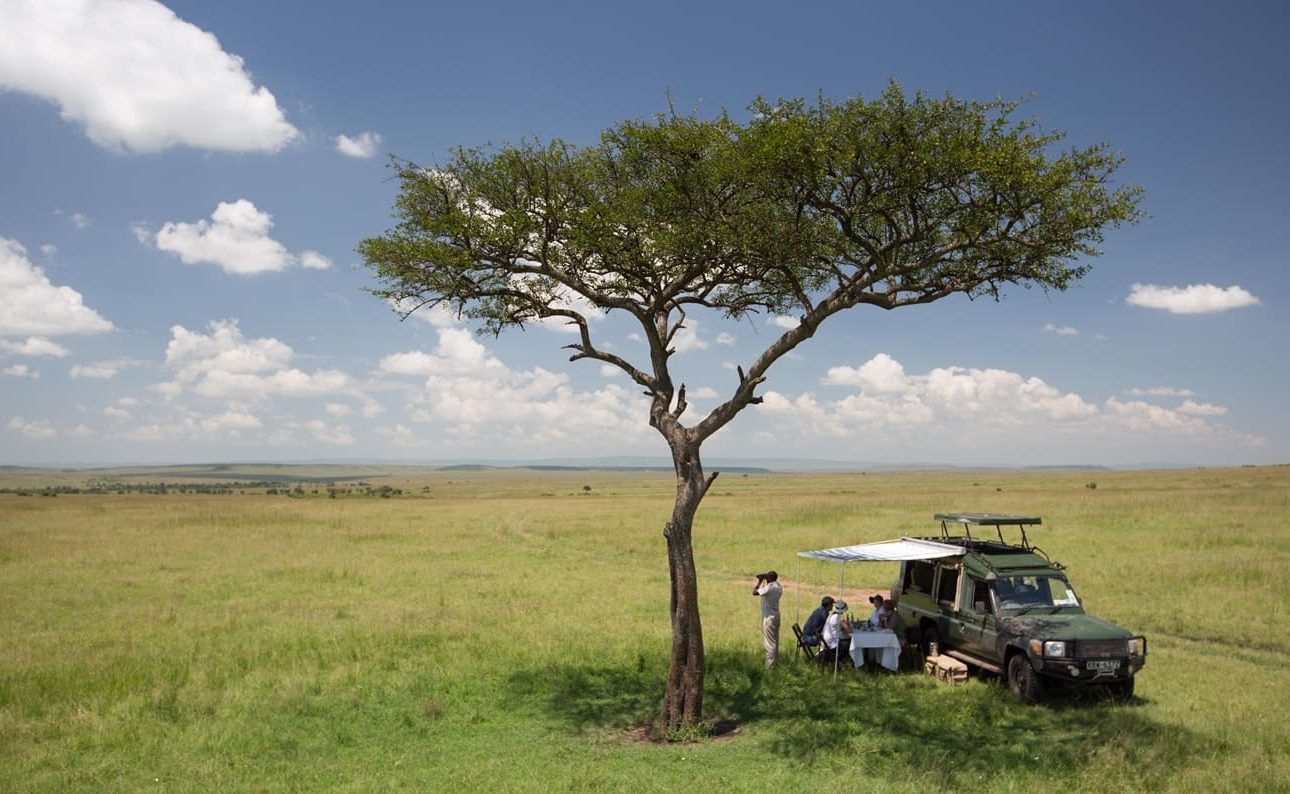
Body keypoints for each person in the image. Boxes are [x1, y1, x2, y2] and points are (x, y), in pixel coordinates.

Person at [753, 570, 782, 668]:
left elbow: (755, 592)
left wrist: (759, 581)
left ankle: (769, 666)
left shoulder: (770, 588)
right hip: (776, 616)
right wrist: (766, 579)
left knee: (769, 643)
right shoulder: (778, 586)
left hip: (769, 618)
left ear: (769, 579)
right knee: (775, 641)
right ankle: (775, 663)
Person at [821, 599, 852, 667]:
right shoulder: (838, 617)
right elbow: (849, 630)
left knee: (847, 640)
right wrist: (848, 625)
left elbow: (840, 629)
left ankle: (842, 661)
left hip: (826, 643)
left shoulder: (831, 616)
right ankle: (842, 661)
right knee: (849, 643)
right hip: (831, 645)